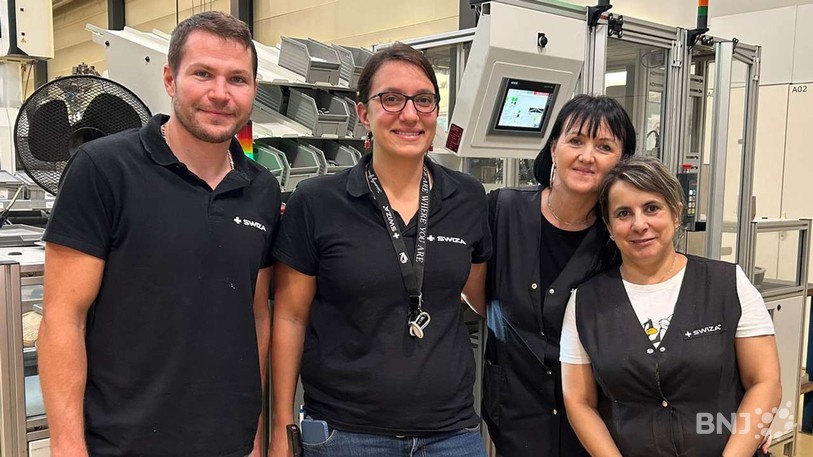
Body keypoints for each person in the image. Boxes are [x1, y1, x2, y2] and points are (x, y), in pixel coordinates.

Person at [38, 11, 280, 457]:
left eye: (237, 79)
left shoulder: (262, 189)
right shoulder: (103, 169)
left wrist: (255, 432)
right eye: (202, 74)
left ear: (253, 91)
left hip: (227, 440)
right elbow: (62, 317)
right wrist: (67, 445)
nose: (220, 94)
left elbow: (256, 316)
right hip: (123, 440)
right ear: (170, 79)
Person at [270, 43, 491, 457]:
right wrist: (283, 425)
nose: (410, 114)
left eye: (424, 100)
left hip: (452, 433)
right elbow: (290, 316)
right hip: (347, 433)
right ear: (363, 113)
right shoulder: (317, 201)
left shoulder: (467, 198)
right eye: (391, 99)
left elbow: (477, 296)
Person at [561, 156, 781, 456]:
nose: (640, 224)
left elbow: (765, 383)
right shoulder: (586, 303)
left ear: (676, 213)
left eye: (652, 208)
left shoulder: (728, 284)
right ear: (609, 227)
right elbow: (579, 401)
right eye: (624, 213)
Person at [482, 95, 636, 456]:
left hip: (597, 425)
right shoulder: (502, 211)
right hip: (516, 417)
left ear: (621, 162)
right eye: (575, 141)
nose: (587, 156)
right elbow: (478, 295)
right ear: (554, 148)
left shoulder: (622, 234)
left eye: (604, 146)